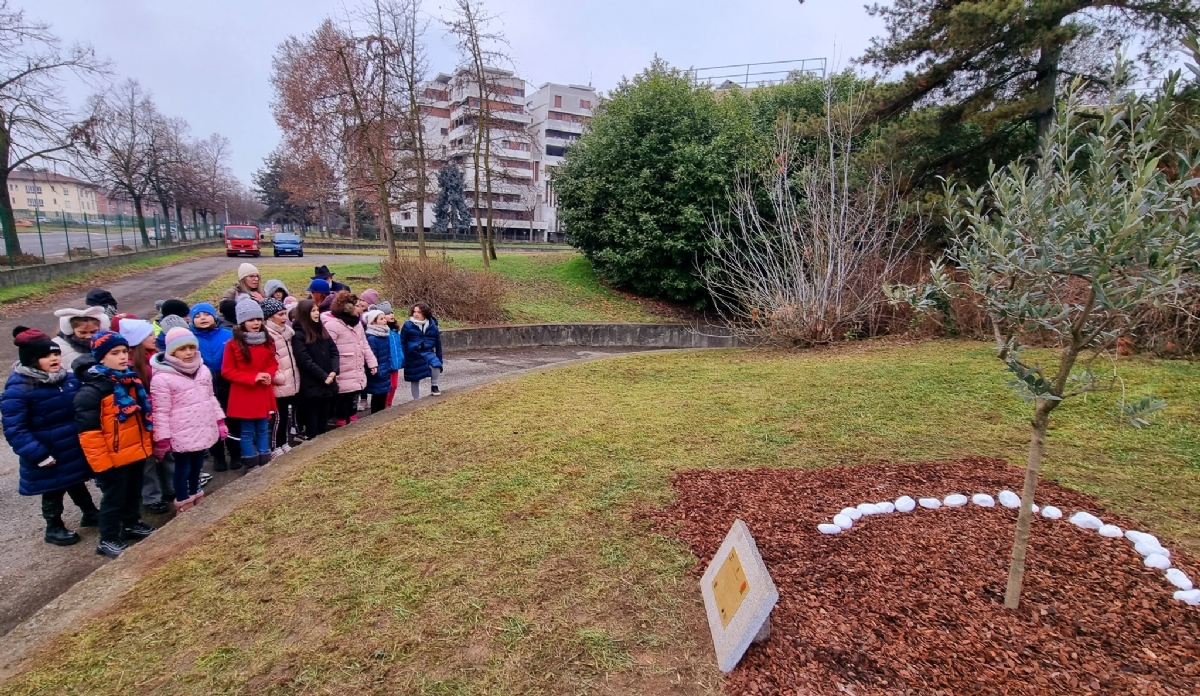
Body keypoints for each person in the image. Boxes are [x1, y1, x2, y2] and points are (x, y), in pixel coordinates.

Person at [1, 327, 98, 546]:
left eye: (55, 354)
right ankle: (53, 526)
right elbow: (15, 428)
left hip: (70, 447)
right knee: (53, 490)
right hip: (47, 453)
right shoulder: (19, 389)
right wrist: (38, 454)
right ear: (31, 360)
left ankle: (90, 512)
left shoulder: (67, 380)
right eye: (45, 356)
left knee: (76, 481)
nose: (53, 358)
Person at [74, 331, 155, 559]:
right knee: (113, 500)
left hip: (134, 451)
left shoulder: (129, 381)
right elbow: (89, 434)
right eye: (114, 353)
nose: (122, 357)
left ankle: (131, 523)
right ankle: (108, 539)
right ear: (100, 358)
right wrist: (102, 464)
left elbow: (140, 419)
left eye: (124, 352)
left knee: (132, 493)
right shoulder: (92, 392)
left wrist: (145, 446)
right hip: (112, 458)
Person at [150, 328, 226, 513]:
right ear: (172, 351)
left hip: (202, 426)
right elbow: (160, 410)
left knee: (197, 465)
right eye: (183, 349)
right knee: (182, 467)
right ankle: (183, 500)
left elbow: (210, 397)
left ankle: (195, 492)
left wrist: (219, 421)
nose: (189, 352)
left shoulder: (203, 369)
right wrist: (162, 437)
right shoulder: (162, 378)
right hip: (180, 431)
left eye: (192, 347)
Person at [120, 318, 173, 515]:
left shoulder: (157, 358)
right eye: (149, 335)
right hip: (143, 417)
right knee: (148, 459)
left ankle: (171, 487)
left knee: (167, 451)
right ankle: (152, 496)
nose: (154, 337)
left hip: (160, 413)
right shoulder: (130, 366)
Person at [221, 299, 278, 470]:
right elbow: (227, 371)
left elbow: (273, 362)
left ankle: (264, 458)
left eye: (258, 319)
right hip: (244, 394)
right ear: (242, 322)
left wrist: (269, 374)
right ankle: (250, 462)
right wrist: (253, 377)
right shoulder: (233, 344)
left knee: (262, 428)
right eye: (251, 320)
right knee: (246, 431)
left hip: (263, 392)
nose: (256, 323)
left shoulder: (267, 340)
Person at [190, 303, 239, 471]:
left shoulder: (227, 334)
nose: (202, 318)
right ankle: (218, 456)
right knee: (210, 422)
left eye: (206, 314)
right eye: (197, 316)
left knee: (232, 420)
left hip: (227, 383)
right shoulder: (190, 339)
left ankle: (235, 454)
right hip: (203, 386)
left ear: (214, 316)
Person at [322, 291, 377, 425]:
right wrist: (333, 371)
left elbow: (364, 344)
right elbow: (329, 351)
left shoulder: (357, 324)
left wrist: (372, 363)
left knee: (354, 400)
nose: (361, 308)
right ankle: (341, 426)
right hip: (342, 370)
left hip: (356, 368)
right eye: (357, 305)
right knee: (343, 402)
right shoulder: (332, 325)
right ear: (348, 307)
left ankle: (353, 425)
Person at [291, 299, 338, 439]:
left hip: (328, 382)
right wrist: (324, 376)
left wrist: (334, 371)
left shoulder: (322, 331)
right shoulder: (298, 335)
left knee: (324, 420)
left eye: (317, 310)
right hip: (312, 384)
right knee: (313, 421)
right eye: (313, 311)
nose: (317, 313)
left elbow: (334, 351)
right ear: (305, 313)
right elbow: (305, 360)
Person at [262, 298, 299, 453]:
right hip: (279, 383)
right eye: (280, 314)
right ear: (270, 317)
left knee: (285, 417)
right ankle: (275, 447)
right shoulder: (268, 335)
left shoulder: (286, 333)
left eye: (285, 314)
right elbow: (268, 360)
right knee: (278, 418)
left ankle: (283, 443)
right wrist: (279, 378)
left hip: (290, 381)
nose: (284, 317)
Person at [401, 302, 443, 399]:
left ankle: (434, 386)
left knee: (436, 365)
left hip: (427, 351)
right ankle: (416, 400)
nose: (416, 314)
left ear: (425, 313)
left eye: (419, 312)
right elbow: (402, 341)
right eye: (414, 312)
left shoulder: (432, 325)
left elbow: (438, 343)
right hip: (413, 353)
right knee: (414, 377)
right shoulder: (408, 325)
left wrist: (440, 358)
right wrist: (404, 357)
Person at [53, 307, 107, 371]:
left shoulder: (108, 342)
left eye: (93, 332)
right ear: (70, 330)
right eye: (83, 332)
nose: (88, 336)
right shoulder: (58, 346)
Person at [373, 302, 404, 407]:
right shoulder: (382, 332)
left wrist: (401, 357)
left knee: (394, 386)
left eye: (391, 312)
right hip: (387, 363)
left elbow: (399, 346)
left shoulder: (395, 330)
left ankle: (389, 404)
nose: (391, 315)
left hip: (395, 363)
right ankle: (385, 405)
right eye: (387, 313)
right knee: (387, 386)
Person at [363, 309, 393, 414]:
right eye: (381, 319)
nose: (385, 320)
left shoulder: (385, 335)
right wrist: (379, 371)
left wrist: (388, 368)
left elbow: (388, 354)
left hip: (385, 371)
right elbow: (372, 356)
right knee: (377, 397)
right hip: (377, 372)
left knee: (383, 397)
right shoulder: (372, 338)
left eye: (384, 318)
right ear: (373, 322)